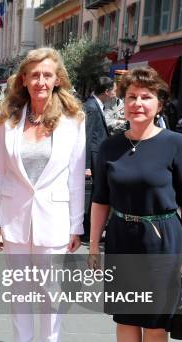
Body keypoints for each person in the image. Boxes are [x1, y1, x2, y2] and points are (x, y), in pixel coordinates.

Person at [89, 67, 182, 342]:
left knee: (154, 324)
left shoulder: (175, 144)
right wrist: (94, 246)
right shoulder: (110, 145)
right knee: (125, 320)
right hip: (122, 238)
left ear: (159, 103)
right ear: (123, 101)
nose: (137, 103)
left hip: (162, 240)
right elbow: (100, 200)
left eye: (146, 96)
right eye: (132, 96)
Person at [0, 48, 85, 342]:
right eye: (34, 75)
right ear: (24, 80)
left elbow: (75, 175)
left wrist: (77, 224)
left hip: (55, 219)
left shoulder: (74, 119)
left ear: (57, 78)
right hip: (14, 218)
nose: (41, 81)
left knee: (49, 295)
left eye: (47, 74)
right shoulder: (9, 118)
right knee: (19, 292)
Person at [83, 76, 115, 241]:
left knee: (97, 193)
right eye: (114, 89)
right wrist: (86, 164)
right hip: (94, 159)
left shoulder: (95, 105)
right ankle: (88, 231)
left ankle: (90, 230)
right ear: (107, 91)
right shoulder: (92, 107)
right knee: (94, 195)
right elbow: (86, 137)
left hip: (97, 158)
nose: (115, 92)